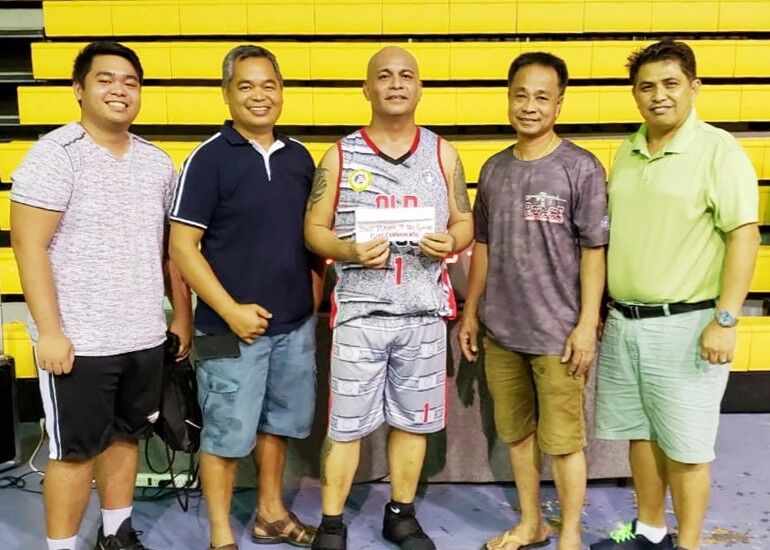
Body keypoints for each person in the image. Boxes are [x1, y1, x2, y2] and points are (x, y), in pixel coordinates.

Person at [10, 41, 192, 550]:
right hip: (79, 339)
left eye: (130, 82)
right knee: (73, 452)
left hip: (141, 334)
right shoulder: (55, 156)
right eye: (106, 79)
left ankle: (117, 532)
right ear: (79, 89)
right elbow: (28, 245)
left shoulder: (157, 163)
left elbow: (169, 252)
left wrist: (181, 316)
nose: (120, 90)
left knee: (126, 436)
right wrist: (49, 330)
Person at [590, 40, 760, 550]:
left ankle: (687, 544)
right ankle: (650, 531)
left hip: (688, 326)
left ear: (694, 87)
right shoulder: (629, 148)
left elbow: (744, 235)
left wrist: (726, 320)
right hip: (626, 322)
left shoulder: (718, 149)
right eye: (646, 87)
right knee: (641, 436)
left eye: (670, 84)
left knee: (685, 447)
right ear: (635, 94)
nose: (658, 96)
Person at [304, 46, 474, 550]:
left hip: (422, 312)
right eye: (384, 76)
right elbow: (313, 230)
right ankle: (332, 524)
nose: (396, 84)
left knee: (412, 423)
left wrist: (455, 240)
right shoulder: (339, 155)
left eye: (406, 75)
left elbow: (463, 221)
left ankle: (400, 515)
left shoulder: (442, 153)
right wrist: (347, 248)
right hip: (360, 312)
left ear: (419, 86)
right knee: (345, 426)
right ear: (367, 88)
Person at [168, 45, 323, 550]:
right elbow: (182, 249)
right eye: (247, 86)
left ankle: (271, 515)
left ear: (282, 91)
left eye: (269, 85)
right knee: (224, 433)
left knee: (277, 424)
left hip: (293, 325)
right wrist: (231, 311)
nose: (260, 95)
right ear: (227, 93)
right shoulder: (207, 159)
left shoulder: (300, 158)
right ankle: (220, 535)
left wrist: (311, 303)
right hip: (224, 330)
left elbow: (310, 240)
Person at [458, 52, 608, 550]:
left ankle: (570, 533)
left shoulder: (581, 168)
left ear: (559, 103)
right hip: (502, 332)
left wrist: (587, 324)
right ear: (508, 99)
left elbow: (594, 251)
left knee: (564, 443)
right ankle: (530, 523)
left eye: (542, 97)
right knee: (517, 437)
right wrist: (471, 311)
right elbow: (482, 245)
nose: (529, 106)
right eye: (520, 94)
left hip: (558, 335)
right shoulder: (494, 168)